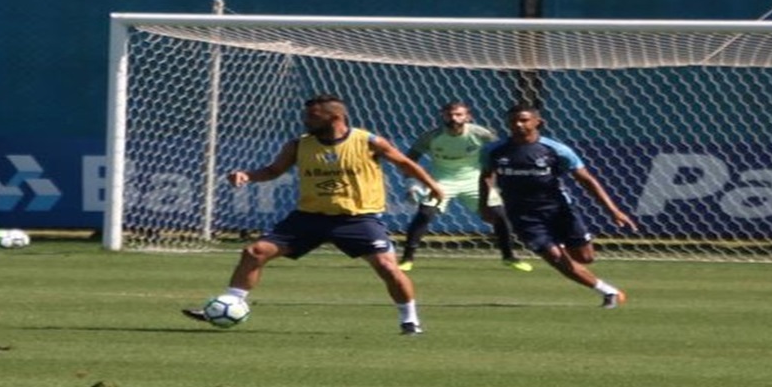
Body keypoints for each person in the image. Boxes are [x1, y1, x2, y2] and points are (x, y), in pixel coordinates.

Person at [181, 94, 446, 335]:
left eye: (312, 116)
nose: (306, 120)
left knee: (388, 267)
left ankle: (410, 320)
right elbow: (273, 171)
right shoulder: (298, 145)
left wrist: (432, 185)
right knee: (255, 252)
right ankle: (230, 302)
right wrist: (247, 175)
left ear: (335, 117)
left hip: (357, 218)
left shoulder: (367, 141)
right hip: (308, 217)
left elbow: (404, 163)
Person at [478, 104, 637, 308]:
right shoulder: (494, 150)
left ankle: (562, 251)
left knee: (585, 257)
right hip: (522, 214)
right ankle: (609, 292)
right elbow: (486, 176)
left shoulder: (556, 150)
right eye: (513, 121)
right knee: (555, 257)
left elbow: (586, 179)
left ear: (538, 122)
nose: (518, 125)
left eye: (524, 120)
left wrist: (613, 210)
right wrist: (484, 205)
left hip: (559, 210)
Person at [398, 101, 532, 272]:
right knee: (425, 214)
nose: (454, 118)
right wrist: (412, 182)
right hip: (442, 180)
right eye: (449, 115)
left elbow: (500, 151)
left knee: (500, 215)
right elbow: (410, 159)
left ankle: (509, 257)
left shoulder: (480, 134)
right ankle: (407, 259)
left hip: (474, 181)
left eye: (459, 114)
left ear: (468, 116)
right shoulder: (431, 137)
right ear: (443, 116)